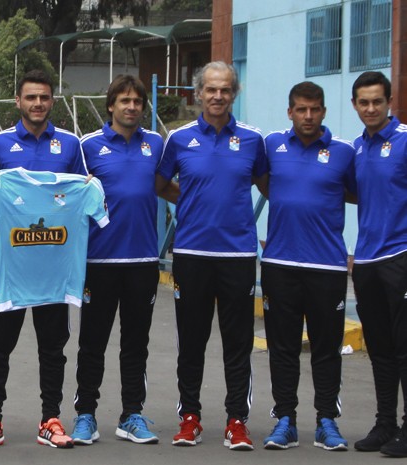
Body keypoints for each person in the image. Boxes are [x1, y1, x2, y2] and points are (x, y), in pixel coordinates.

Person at [0, 70, 86, 450]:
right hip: (11, 267)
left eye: (45, 97)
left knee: (53, 348)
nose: (38, 103)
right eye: (31, 97)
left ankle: (50, 419)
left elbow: (82, 192)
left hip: (55, 268)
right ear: (18, 101)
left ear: (53, 101)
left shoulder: (70, 144)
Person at [155, 61, 266, 450]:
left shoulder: (253, 140)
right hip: (191, 254)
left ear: (234, 94)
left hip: (237, 255)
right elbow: (160, 184)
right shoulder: (179, 139)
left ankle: (237, 421)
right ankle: (190, 418)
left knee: (238, 343)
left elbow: (266, 184)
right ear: (198, 93)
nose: (218, 96)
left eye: (225, 89)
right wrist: (190, 200)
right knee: (192, 342)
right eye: (211, 89)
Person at [260, 82, 355, 451]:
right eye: (301, 109)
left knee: (326, 349)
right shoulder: (272, 146)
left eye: (315, 109)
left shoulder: (344, 152)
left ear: (324, 112)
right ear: (290, 112)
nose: (308, 116)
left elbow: (357, 192)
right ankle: (285, 419)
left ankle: (326, 421)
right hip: (280, 264)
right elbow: (264, 184)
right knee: (283, 348)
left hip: (327, 267)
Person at [69, 75, 163, 445]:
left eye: (137, 102)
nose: (131, 107)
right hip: (99, 261)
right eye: (124, 101)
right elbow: (68, 195)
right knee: (92, 343)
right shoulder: (88, 146)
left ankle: (131, 415)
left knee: (136, 344)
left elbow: (168, 185)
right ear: (111, 106)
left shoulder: (155, 144)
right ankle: (85, 415)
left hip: (143, 260)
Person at [350, 71, 407, 457]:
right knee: (381, 349)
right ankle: (386, 423)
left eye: (377, 101)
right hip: (367, 260)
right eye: (364, 102)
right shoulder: (356, 148)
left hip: (401, 256)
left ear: (389, 102)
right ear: (355, 105)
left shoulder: (404, 140)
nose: (371, 108)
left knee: (405, 347)